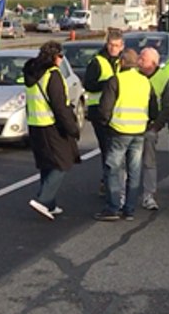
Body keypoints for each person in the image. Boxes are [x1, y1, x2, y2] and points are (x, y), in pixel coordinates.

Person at [96, 49, 158, 221]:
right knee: (135, 170)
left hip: (118, 130)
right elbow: (154, 109)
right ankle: (129, 209)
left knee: (113, 169)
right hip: (139, 131)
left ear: (122, 62)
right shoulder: (145, 82)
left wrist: (105, 123)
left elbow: (105, 108)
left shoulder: (116, 80)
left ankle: (113, 208)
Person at [25, 41, 82, 220]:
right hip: (51, 125)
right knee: (62, 162)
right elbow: (60, 106)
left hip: (35, 124)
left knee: (47, 163)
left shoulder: (33, 73)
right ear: (55, 57)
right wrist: (72, 128)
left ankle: (49, 204)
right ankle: (43, 200)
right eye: (61, 56)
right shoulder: (53, 75)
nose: (62, 59)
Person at [84, 28, 124, 195]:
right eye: (111, 45)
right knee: (108, 149)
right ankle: (108, 182)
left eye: (116, 45)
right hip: (99, 111)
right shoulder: (98, 62)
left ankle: (112, 180)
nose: (113, 48)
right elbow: (89, 84)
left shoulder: (123, 62)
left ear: (122, 46)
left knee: (116, 149)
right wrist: (108, 85)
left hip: (119, 111)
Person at [138, 47, 169, 211]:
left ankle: (149, 195)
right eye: (139, 58)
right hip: (131, 126)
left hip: (149, 127)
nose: (139, 61)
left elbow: (168, 106)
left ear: (153, 63)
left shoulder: (165, 78)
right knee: (126, 164)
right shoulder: (134, 76)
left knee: (149, 162)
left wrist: (156, 127)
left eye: (143, 59)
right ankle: (123, 196)